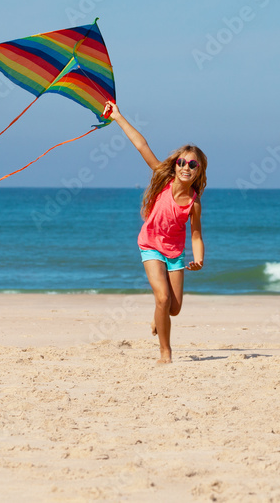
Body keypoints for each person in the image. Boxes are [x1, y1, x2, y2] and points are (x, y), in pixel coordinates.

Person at [102, 101, 206, 364]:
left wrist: (199, 259)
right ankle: (165, 352)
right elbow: (142, 146)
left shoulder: (194, 203)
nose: (185, 167)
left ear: (198, 171)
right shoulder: (163, 179)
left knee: (174, 308)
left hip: (175, 253)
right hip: (150, 245)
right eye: (182, 162)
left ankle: (158, 313)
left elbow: (195, 234)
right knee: (162, 297)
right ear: (176, 164)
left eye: (192, 165)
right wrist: (118, 117)